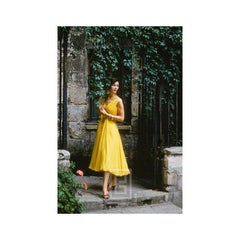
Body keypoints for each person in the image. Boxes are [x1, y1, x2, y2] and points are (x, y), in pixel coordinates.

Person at [89, 78, 130, 199]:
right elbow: (100, 112)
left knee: (108, 156)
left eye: (117, 85)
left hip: (111, 130)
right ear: (109, 87)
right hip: (102, 128)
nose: (116, 88)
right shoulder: (104, 98)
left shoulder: (119, 101)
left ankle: (104, 187)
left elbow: (122, 118)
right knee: (107, 155)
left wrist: (108, 115)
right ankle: (113, 181)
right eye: (114, 85)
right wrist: (100, 111)